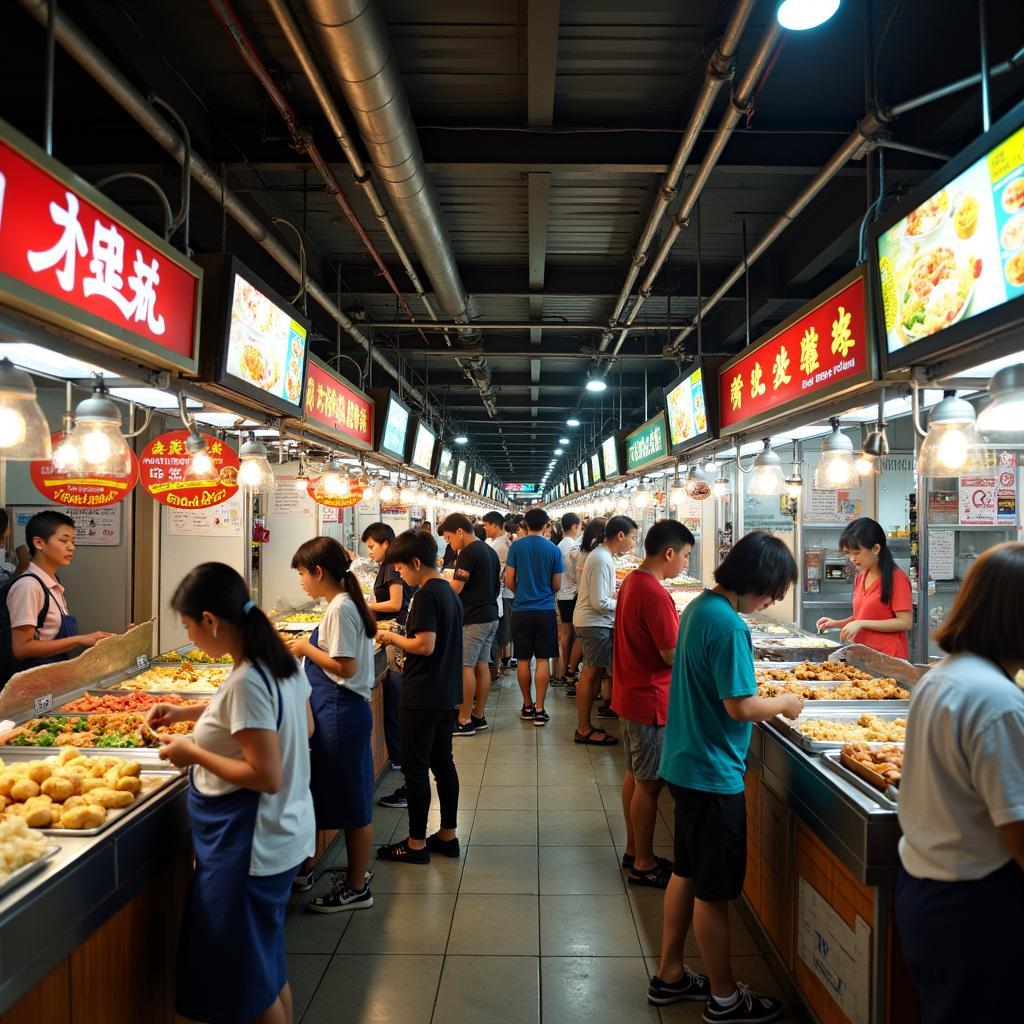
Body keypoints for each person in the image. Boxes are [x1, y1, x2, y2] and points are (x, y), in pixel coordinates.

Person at [148, 563, 315, 1024]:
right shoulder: (277, 661)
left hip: (249, 848)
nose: (190, 635)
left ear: (210, 620)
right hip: (285, 832)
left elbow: (264, 775)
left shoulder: (247, 679)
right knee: (265, 970)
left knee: (247, 989)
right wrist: (189, 711)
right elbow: (306, 725)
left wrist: (193, 752)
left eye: (187, 626)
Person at [649, 531, 802, 1022]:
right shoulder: (732, 627)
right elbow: (740, 707)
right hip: (714, 774)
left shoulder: (699, 608)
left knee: (686, 872)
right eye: (774, 590)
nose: (774, 600)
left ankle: (670, 974)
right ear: (757, 582)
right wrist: (787, 702)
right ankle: (724, 998)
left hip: (684, 762)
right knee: (715, 893)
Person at [894, 542, 1024, 1024]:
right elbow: (1018, 832)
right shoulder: (998, 703)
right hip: (974, 906)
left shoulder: (945, 676)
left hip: (927, 888)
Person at [287, 538, 376, 911]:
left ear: (319, 572)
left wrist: (304, 648)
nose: (302, 583)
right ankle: (313, 868)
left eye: (303, 574)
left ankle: (356, 886)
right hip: (339, 711)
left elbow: (345, 667)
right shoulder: (342, 603)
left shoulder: (340, 608)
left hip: (341, 709)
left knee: (353, 801)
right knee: (335, 792)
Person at [614, 520, 694, 890]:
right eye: (686, 556)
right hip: (651, 699)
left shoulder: (633, 580)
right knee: (649, 786)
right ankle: (643, 863)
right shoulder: (656, 594)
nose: (685, 565)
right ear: (669, 553)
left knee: (635, 775)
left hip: (631, 693)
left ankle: (634, 849)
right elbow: (669, 655)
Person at [375, 530, 463, 864]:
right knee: (443, 764)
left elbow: (425, 645)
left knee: (415, 770)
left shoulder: (426, 595)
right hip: (445, 691)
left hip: (422, 693)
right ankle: (447, 835)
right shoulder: (448, 592)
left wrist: (389, 637)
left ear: (415, 562)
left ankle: (415, 844)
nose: (399, 574)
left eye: (400, 568)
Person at [2, 510, 114, 685]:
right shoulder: (29, 586)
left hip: (54, 681)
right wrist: (78, 639)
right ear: (39, 542)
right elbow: (22, 648)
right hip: (34, 684)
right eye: (64, 541)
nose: (71, 547)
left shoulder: (53, 584)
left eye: (73, 541)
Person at [361, 523, 414, 809]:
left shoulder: (392, 567)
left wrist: (365, 604)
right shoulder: (388, 566)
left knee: (395, 698)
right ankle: (398, 755)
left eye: (371, 546)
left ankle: (399, 756)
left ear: (386, 543)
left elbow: (395, 603)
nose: (369, 552)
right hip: (391, 632)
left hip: (395, 634)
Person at [573, 515, 637, 745]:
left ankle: (585, 725)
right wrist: (624, 601)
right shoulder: (601, 559)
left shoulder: (602, 556)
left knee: (595, 673)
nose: (633, 543)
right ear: (620, 535)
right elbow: (599, 602)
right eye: (632, 538)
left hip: (595, 622)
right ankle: (583, 728)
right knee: (590, 674)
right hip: (594, 623)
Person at [816, 517, 913, 659]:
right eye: (848, 553)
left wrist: (861, 623)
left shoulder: (897, 579)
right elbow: (862, 617)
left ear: (876, 549)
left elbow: (905, 622)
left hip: (888, 658)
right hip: (862, 655)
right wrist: (836, 624)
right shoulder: (861, 577)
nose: (852, 559)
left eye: (856, 553)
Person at [439, 513, 500, 736]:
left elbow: (457, 588)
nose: (450, 543)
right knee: (481, 665)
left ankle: (463, 720)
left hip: (473, 619)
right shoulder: (489, 551)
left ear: (460, 532)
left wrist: (440, 585)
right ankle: (478, 715)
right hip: (490, 615)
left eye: (448, 538)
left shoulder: (468, 552)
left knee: (465, 667)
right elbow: (496, 587)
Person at [504, 507, 564, 726]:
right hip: (545, 610)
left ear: (525, 525)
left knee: (522, 660)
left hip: (521, 611)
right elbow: (557, 584)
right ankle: (540, 709)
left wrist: (521, 592)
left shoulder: (517, 547)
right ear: (547, 524)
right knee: (542, 660)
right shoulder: (553, 549)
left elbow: (509, 579)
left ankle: (527, 705)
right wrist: (544, 592)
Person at [565, 517, 606, 698]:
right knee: (583, 647)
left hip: (579, 598)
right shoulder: (596, 554)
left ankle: (571, 672)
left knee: (579, 641)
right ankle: (575, 675)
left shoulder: (582, 551)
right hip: (589, 604)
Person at [482, 510, 512, 679]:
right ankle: (498, 667)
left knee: (500, 633)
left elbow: (498, 574)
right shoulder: (503, 542)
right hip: (504, 593)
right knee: (501, 633)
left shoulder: (498, 545)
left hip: (501, 594)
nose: (485, 529)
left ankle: (496, 668)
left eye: (486, 525)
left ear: (494, 524)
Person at [554, 512, 582, 690]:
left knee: (566, 632)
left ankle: (566, 668)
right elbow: (576, 573)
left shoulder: (560, 545)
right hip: (569, 594)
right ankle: (567, 669)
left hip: (562, 593)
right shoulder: (571, 546)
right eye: (580, 526)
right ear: (574, 526)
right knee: (568, 633)